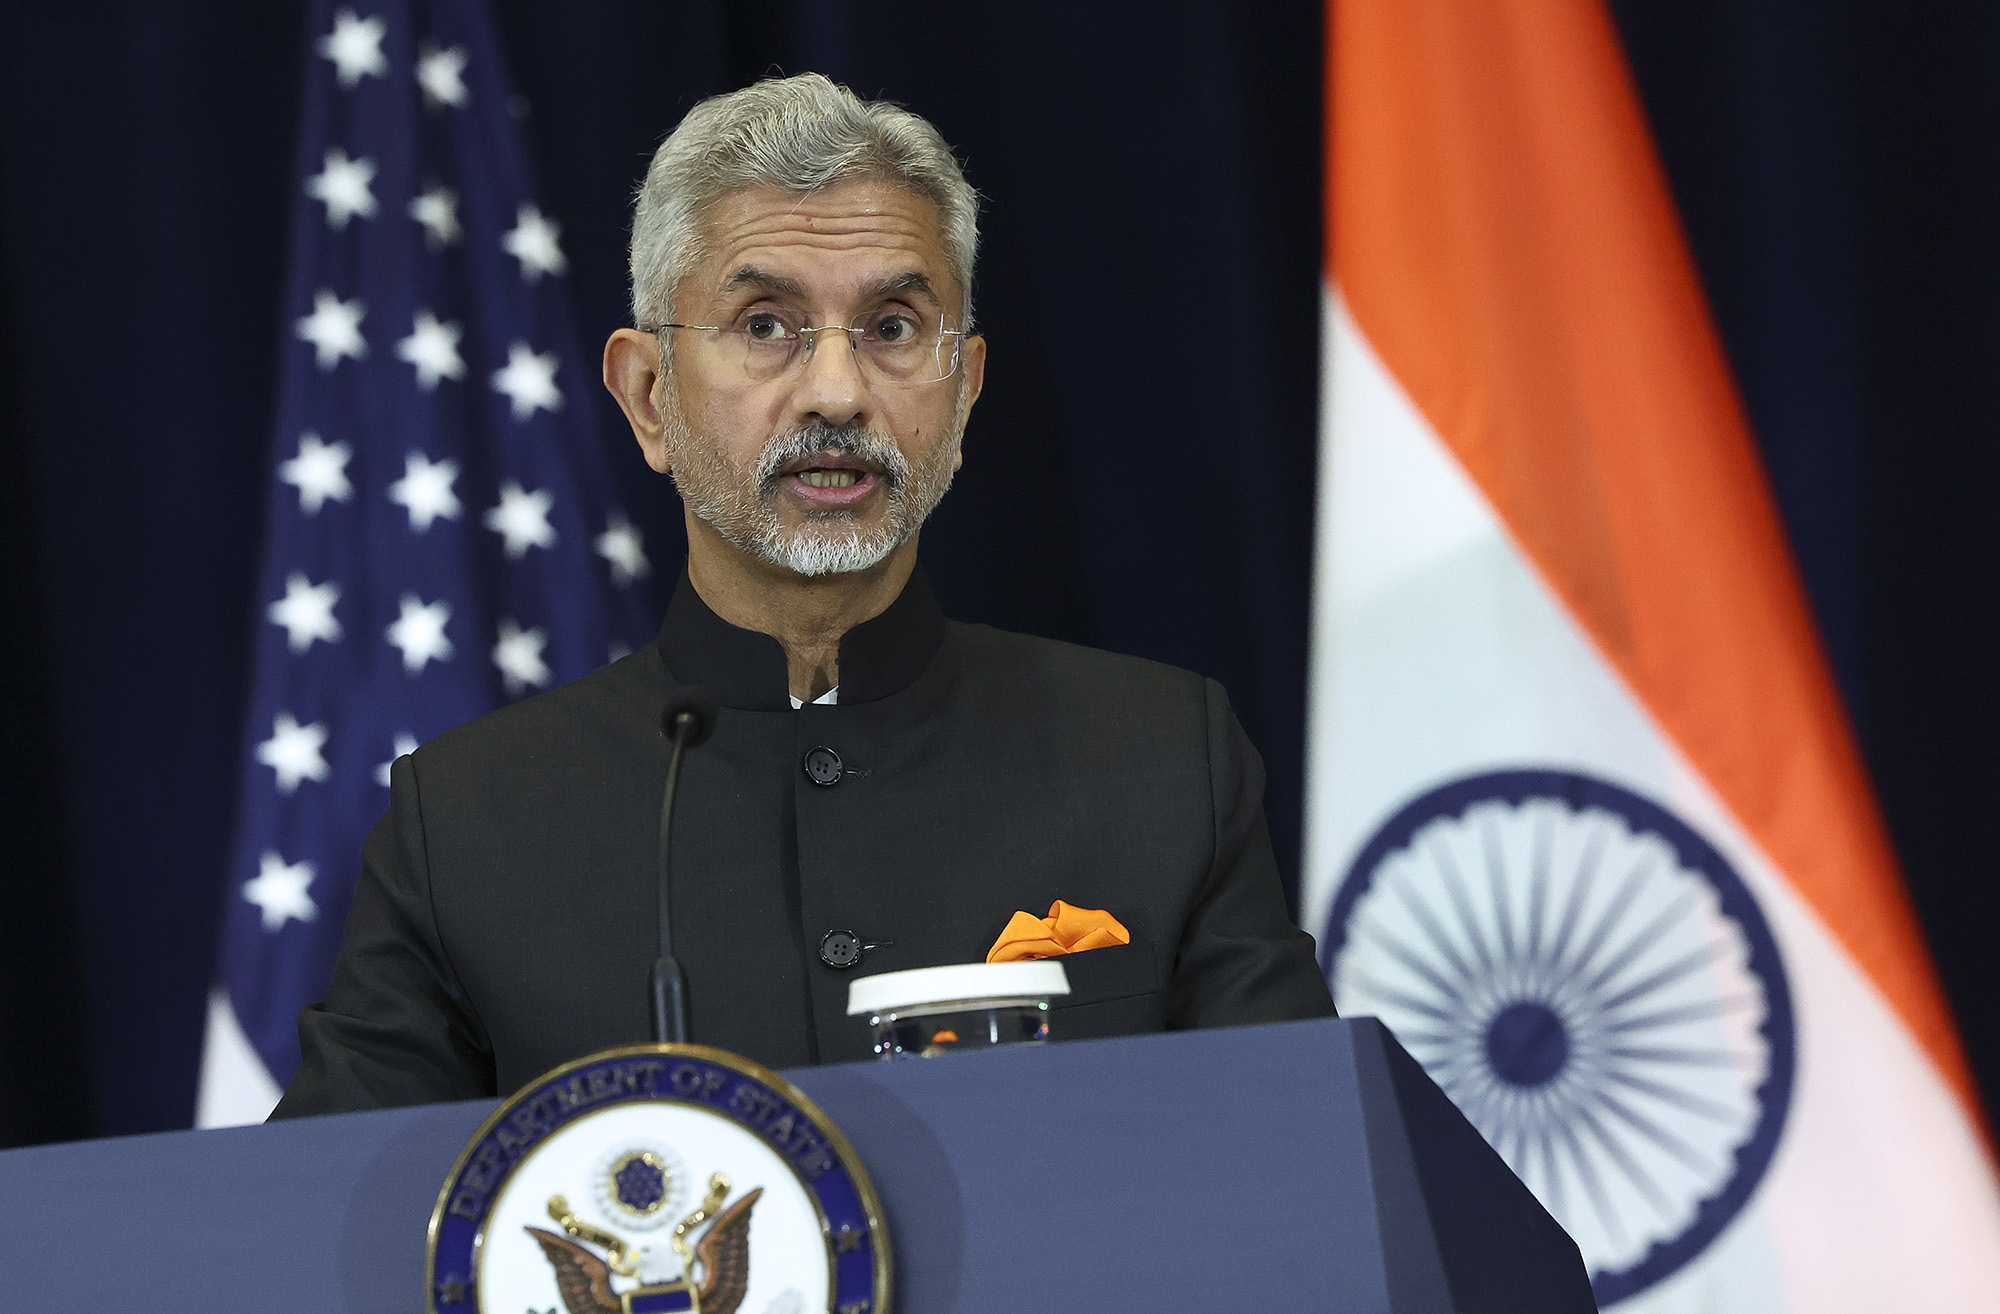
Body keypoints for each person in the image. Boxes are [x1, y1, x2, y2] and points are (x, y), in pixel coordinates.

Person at [274, 74, 1333, 1117]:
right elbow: (308, 1238)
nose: (836, 392)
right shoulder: (464, 825)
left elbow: (1307, 1184)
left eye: (891, 326)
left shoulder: (1157, 761)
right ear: (649, 395)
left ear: (961, 394)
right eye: (765, 323)